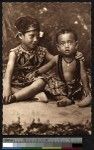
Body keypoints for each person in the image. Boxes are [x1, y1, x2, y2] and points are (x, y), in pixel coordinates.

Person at [3, 16, 84, 105]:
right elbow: (8, 73)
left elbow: (59, 60)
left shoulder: (42, 51)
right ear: (21, 36)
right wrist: (6, 89)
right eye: (32, 36)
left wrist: (75, 55)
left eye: (37, 36)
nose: (36, 39)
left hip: (34, 82)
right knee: (4, 83)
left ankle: (13, 98)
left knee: (43, 81)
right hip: (16, 83)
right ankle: (33, 95)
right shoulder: (14, 53)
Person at [33, 28, 91, 107]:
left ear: (76, 45)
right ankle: (65, 99)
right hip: (63, 86)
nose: (66, 46)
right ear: (58, 47)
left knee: (88, 80)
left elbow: (83, 75)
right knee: (51, 82)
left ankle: (86, 97)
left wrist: (86, 88)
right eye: (63, 43)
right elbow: (47, 67)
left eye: (70, 42)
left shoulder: (78, 59)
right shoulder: (57, 58)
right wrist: (37, 72)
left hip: (76, 85)